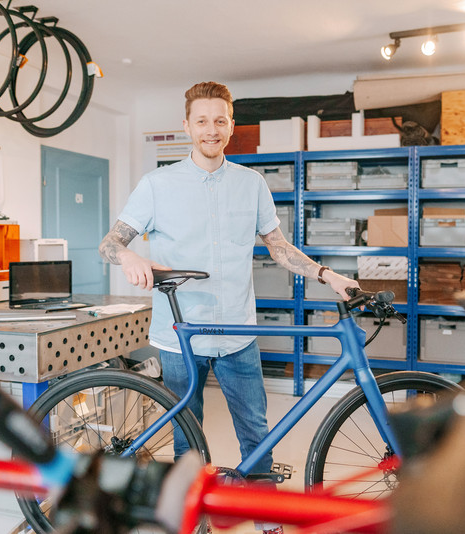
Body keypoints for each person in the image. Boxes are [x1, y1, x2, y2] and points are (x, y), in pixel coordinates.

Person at [98, 81, 358, 533]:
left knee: (256, 432)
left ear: (231, 126)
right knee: (187, 438)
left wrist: (327, 275)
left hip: (238, 331)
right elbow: (110, 242)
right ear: (187, 126)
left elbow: (279, 248)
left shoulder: (251, 184)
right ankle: (191, 520)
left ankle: (266, 521)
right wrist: (130, 255)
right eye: (202, 121)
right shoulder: (157, 184)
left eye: (220, 120)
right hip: (181, 334)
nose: (211, 129)